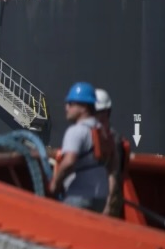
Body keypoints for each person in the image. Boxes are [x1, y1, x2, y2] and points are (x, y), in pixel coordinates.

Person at [48, 82, 113, 213]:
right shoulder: (100, 129)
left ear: (83, 107)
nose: (66, 107)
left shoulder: (77, 131)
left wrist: (55, 184)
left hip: (80, 195)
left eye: (71, 104)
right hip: (100, 195)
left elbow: (69, 161)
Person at [94, 88, 130, 218]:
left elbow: (113, 176)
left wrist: (107, 208)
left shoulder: (112, 140)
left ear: (107, 113)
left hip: (106, 201)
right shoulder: (91, 136)